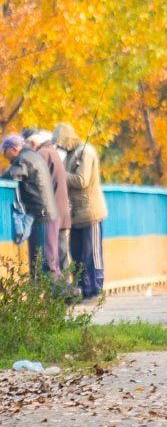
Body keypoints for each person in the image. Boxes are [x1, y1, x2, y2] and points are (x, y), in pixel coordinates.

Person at [54, 123, 109, 301]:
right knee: (76, 253)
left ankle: (95, 289)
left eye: (61, 142)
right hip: (75, 214)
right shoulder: (70, 155)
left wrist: (60, 175)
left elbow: (82, 180)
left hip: (90, 212)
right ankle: (82, 289)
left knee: (92, 254)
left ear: (68, 139)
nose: (60, 146)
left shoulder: (86, 152)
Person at [2, 134, 62, 281]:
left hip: (42, 214)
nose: (4, 156)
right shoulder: (32, 155)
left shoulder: (25, 159)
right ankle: (49, 296)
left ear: (14, 149)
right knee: (43, 261)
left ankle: (66, 295)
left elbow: (14, 174)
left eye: (5, 151)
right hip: (45, 213)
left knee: (45, 262)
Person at [26, 130, 72, 273]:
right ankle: (67, 290)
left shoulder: (42, 154)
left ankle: (63, 291)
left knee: (52, 256)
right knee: (61, 254)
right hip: (61, 209)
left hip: (52, 213)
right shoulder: (52, 152)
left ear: (33, 144)